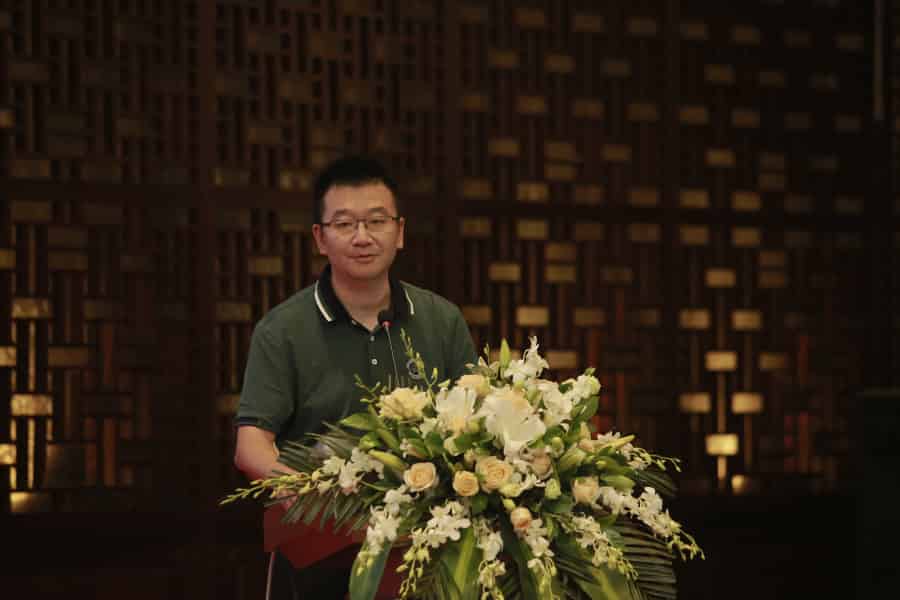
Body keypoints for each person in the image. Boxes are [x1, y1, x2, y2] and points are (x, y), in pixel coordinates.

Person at [233, 154, 478, 599]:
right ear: (320, 238)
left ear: (399, 232)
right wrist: (306, 494)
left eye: (376, 221)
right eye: (344, 224)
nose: (362, 237)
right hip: (317, 549)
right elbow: (251, 445)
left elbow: (476, 430)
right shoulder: (283, 329)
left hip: (426, 551)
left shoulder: (441, 321)